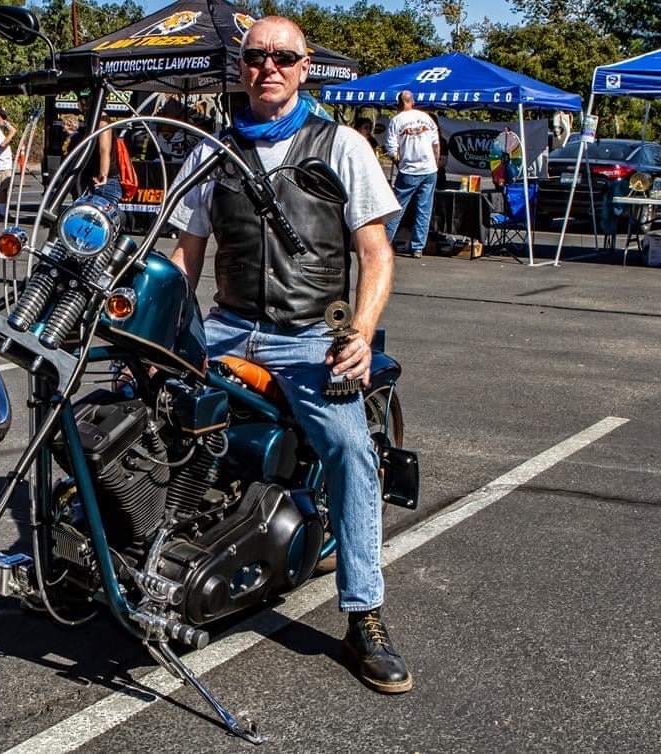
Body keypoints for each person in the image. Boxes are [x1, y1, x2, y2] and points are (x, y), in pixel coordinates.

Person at [168, 16, 412, 694]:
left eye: (283, 57)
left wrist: (360, 333)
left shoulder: (343, 146)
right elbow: (185, 257)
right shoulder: (210, 152)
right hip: (228, 325)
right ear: (240, 68)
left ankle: (364, 612)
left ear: (306, 68)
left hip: (309, 334)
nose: (267, 67)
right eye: (255, 57)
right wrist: (169, 334)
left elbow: (375, 254)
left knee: (350, 451)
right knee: (148, 407)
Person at [383, 90, 440, 258]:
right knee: (424, 209)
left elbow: (392, 149)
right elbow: (436, 144)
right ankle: (417, 247)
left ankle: (385, 243)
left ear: (400, 103)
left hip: (409, 169)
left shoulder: (396, 120)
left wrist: (398, 163)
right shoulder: (426, 118)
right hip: (429, 169)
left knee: (397, 208)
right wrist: (435, 163)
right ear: (412, 102)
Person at [69, 91, 122, 203]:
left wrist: (103, 175)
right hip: (92, 179)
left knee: (97, 217)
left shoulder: (102, 120)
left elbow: (104, 150)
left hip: (104, 182)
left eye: (82, 101)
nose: (80, 104)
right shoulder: (91, 120)